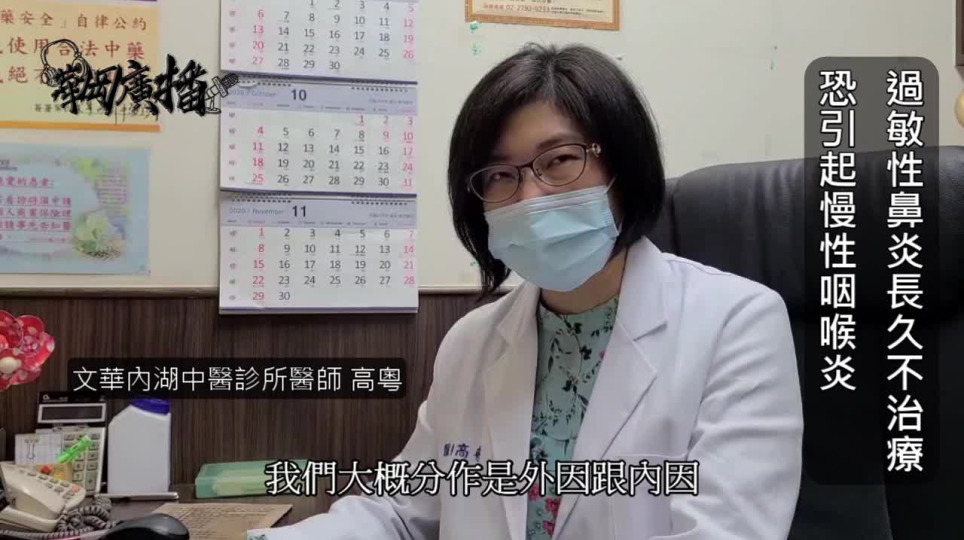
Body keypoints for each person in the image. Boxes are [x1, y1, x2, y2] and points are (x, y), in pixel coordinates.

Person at [248, 43, 803, 540]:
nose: (529, 199)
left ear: (623, 167)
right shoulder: (471, 342)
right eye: (499, 176)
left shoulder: (737, 323)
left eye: (559, 160)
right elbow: (401, 511)